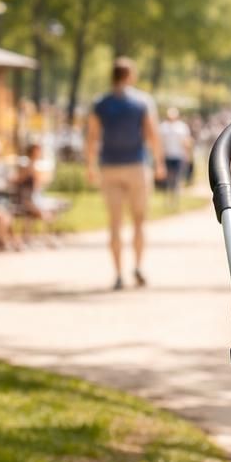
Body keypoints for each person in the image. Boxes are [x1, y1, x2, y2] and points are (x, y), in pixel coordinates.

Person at [85, 56, 164, 290]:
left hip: (109, 166)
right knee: (139, 221)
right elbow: (152, 135)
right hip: (136, 166)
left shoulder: (100, 103)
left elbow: (92, 137)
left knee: (115, 223)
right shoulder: (142, 102)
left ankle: (118, 273)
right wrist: (159, 162)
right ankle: (138, 267)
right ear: (130, 75)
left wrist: (89, 165)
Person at [158, 106, 192, 204]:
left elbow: (186, 141)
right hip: (167, 156)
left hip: (178, 156)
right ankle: (168, 199)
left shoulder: (182, 127)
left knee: (177, 179)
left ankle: (175, 200)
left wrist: (187, 154)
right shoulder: (163, 127)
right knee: (168, 179)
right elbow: (160, 143)